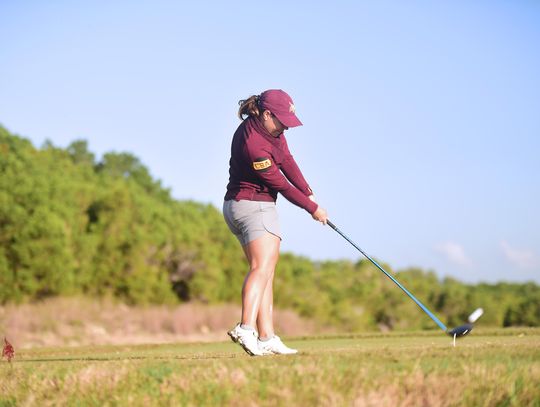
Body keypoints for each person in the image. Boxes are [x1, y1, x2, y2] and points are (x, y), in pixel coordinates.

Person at [223, 89, 328, 356]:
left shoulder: (270, 130)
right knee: (261, 268)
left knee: (265, 272)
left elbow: (287, 160)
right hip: (255, 207)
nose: (286, 128)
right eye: (282, 121)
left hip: (239, 206)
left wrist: (308, 190)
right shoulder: (255, 145)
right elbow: (280, 183)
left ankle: (267, 337)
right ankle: (246, 328)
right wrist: (312, 208)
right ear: (267, 114)